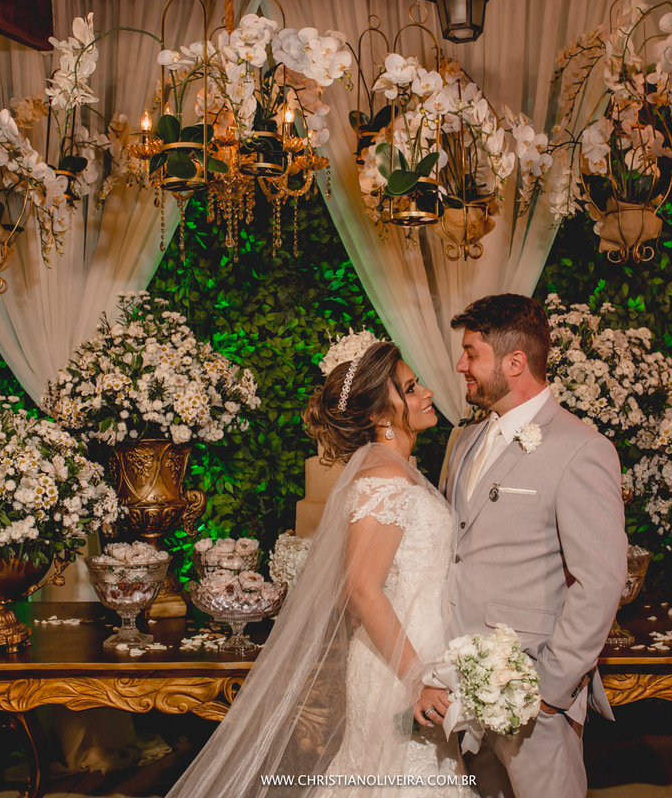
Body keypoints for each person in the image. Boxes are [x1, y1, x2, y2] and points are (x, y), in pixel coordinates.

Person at [166, 340, 475, 797]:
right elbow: (362, 590)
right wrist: (418, 679)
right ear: (378, 416)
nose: (427, 392)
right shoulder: (384, 478)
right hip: (401, 669)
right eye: (410, 389)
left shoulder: (398, 469)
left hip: (416, 652)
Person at [417, 293, 627, 798]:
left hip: (529, 688)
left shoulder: (582, 449)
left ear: (515, 362)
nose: (460, 365)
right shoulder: (461, 440)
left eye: (472, 353)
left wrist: (551, 689)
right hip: (458, 680)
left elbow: (600, 580)